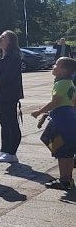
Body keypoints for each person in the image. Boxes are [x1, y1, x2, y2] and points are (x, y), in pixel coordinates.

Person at [31, 57, 76, 190]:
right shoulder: (71, 84)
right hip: (70, 118)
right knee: (68, 152)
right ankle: (68, 179)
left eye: (57, 64)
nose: (53, 66)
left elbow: (55, 102)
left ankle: (63, 180)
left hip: (60, 119)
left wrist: (39, 112)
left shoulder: (60, 84)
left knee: (60, 151)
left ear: (63, 70)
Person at [0, 30, 24, 163]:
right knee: (3, 123)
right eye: (0, 36)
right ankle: (4, 151)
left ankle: (12, 153)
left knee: (11, 123)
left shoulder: (14, 56)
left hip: (9, 94)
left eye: (3, 37)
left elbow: (8, 77)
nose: (0, 38)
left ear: (10, 41)